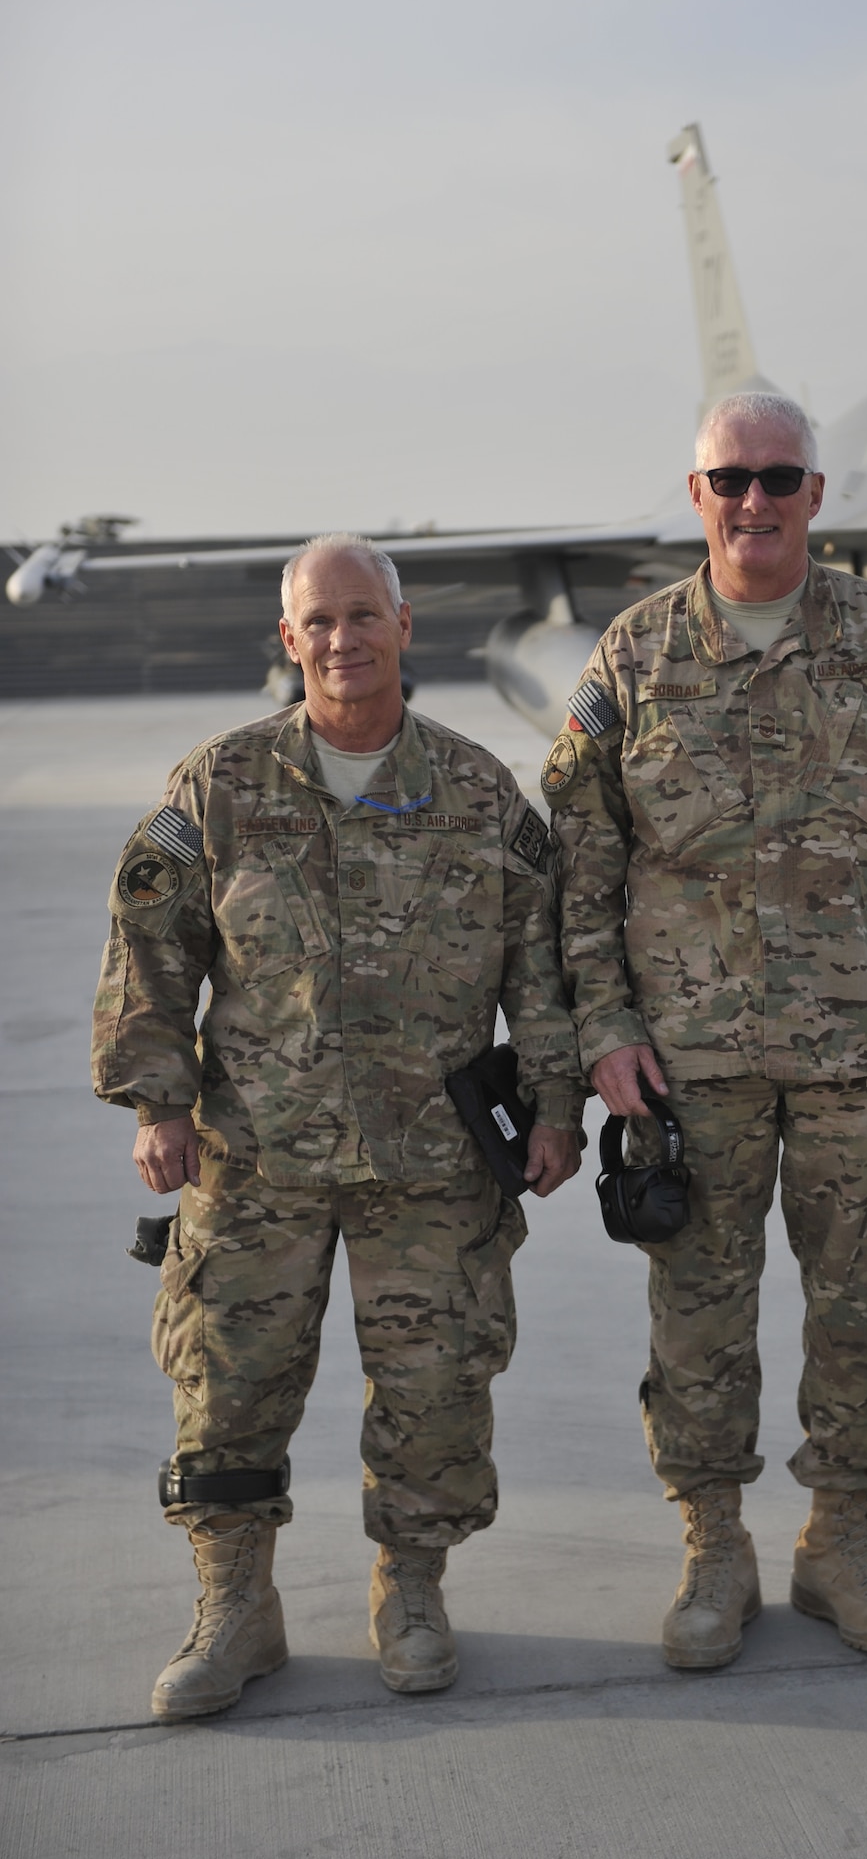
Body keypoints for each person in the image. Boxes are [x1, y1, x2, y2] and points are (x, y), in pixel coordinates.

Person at [545, 393, 867, 1670]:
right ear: (695, 492)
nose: (752, 502)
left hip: (859, 1054)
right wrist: (601, 1026)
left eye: (777, 478)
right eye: (728, 480)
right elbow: (578, 875)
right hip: (683, 1063)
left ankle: (840, 1538)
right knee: (696, 1317)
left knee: (859, 1306)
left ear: (816, 494)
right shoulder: (633, 658)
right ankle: (713, 1546)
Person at [93, 533, 582, 1719]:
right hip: (252, 1152)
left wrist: (559, 1104)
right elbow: (151, 950)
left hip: (432, 1161)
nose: (342, 640)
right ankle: (233, 1605)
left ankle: (411, 1589)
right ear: (288, 637)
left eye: (364, 615)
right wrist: (158, 1099)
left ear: (404, 627)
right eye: (319, 620)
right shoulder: (218, 785)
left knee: (436, 1380)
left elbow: (544, 964)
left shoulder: (478, 792)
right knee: (227, 1382)